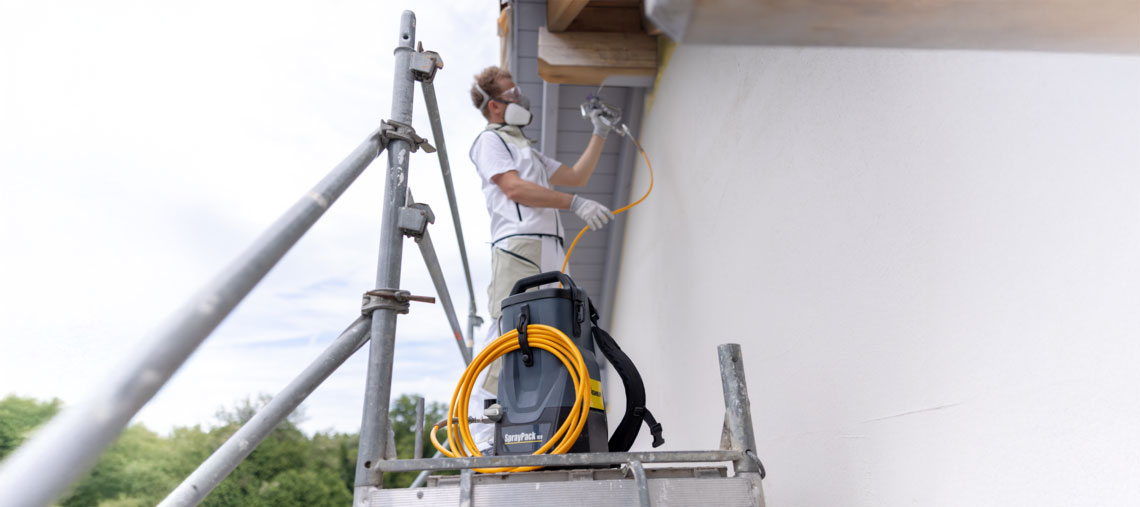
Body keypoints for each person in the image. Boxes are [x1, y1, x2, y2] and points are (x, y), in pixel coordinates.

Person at [465, 65, 614, 448]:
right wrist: (573, 203)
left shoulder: (524, 146)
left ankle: (543, 424)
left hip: (551, 246)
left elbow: (577, 176)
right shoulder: (490, 141)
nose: (521, 99)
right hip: (519, 244)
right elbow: (514, 188)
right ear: (495, 105)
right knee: (504, 329)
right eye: (513, 94)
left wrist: (599, 131)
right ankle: (480, 433)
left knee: (557, 330)